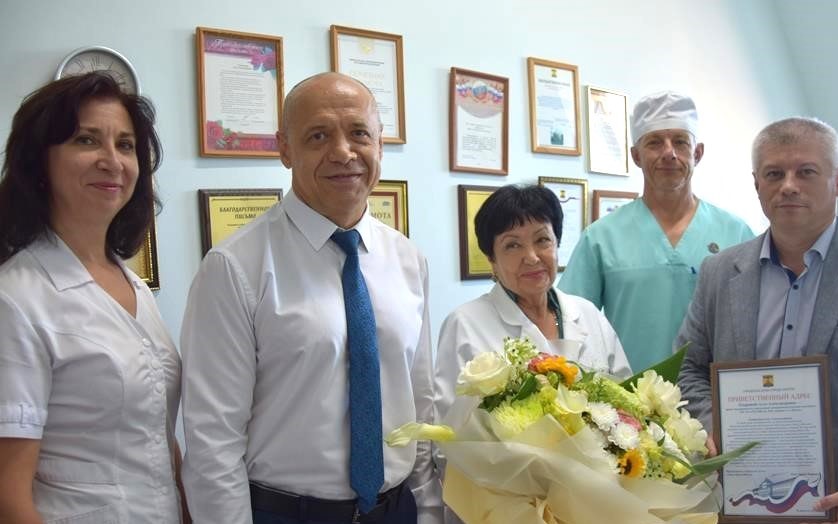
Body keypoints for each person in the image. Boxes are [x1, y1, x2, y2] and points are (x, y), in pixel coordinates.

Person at [181, 72, 440, 524]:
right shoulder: (235, 266)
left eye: (359, 133)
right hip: (287, 513)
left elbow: (419, 405)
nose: (343, 152)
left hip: (396, 510)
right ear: (285, 149)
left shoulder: (408, 260)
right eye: (318, 135)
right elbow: (212, 440)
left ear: (380, 143)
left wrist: (429, 510)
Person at [676, 117, 838, 524]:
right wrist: (718, 426)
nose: (788, 186)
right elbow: (688, 370)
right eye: (774, 174)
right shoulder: (719, 273)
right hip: (740, 506)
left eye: (806, 172)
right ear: (756, 184)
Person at [0, 72, 187, 523]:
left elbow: (157, 435)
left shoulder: (133, 286)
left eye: (125, 145)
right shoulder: (16, 299)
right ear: (39, 163)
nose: (112, 161)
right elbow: (7, 495)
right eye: (86, 140)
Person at [559, 91, 753, 371]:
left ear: (698, 153)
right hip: (629, 394)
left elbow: (758, 322)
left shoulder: (736, 233)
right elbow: (572, 325)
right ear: (636, 156)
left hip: (714, 393)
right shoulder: (601, 238)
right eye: (654, 143)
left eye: (680, 142)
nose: (669, 153)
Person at [435, 184, 632, 419]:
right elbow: (450, 425)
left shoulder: (588, 313)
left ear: (557, 243)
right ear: (492, 259)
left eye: (542, 240)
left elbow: (626, 404)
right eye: (512, 245)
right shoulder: (465, 324)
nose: (531, 257)